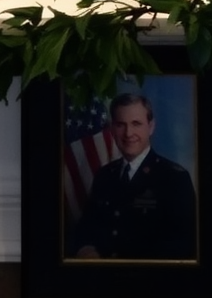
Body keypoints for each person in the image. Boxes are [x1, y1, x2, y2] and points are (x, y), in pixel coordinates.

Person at [70, 91, 197, 260]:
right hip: (101, 278)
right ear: (112, 129)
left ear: (151, 127)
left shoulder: (174, 178)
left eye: (136, 123)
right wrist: (85, 250)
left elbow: (183, 245)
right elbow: (85, 228)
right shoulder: (104, 175)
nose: (128, 133)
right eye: (121, 124)